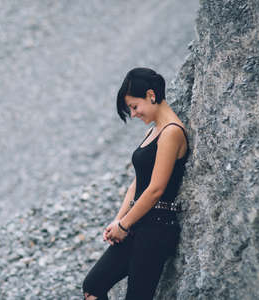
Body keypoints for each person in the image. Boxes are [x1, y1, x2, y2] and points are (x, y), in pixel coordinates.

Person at [82, 67, 190, 300]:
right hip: (138, 224)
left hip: (156, 228)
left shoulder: (172, 132)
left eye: (134, 107)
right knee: (92, 286)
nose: (133, 114)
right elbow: (137, 183)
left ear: (151, 95)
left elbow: (155, 189)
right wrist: (119, 220)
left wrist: (124, 225)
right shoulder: (153, 132)